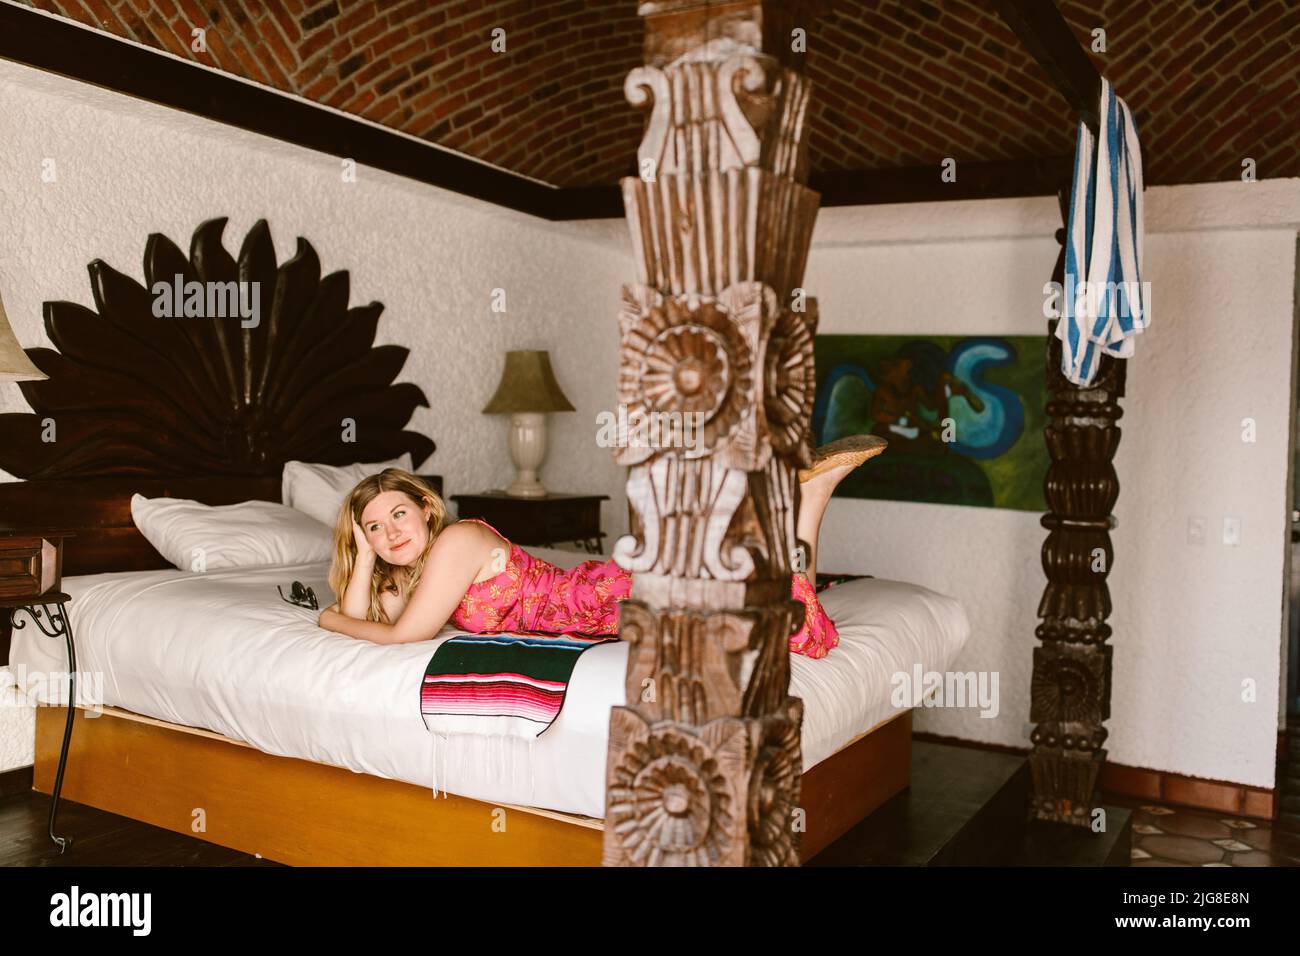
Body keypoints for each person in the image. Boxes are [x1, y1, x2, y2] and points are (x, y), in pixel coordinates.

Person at [317, 436, 885, 659]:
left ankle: (778, 496)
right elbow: (372, 615)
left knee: (786, 625)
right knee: (792, 624)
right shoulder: (413, 576)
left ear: (425, 509)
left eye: (398, 514)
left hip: (605, 596)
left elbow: (398, 634)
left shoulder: (457, 541)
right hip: (607, 607)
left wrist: (329, 622)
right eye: (373, 528)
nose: (390, 531)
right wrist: (363, 561)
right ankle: (810, 497)